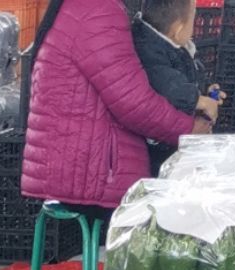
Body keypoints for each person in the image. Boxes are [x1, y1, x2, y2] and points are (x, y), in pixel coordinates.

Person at [21, 0, 215, 227]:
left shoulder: (82, 7)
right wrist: (188, 131)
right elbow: (134, 103)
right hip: (88, 173)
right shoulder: (97, 11)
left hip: (73, 166)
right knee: (184, 210)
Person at [131, 0, 212, 174]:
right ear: (178, 29)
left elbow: (188, 77)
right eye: (193, 20)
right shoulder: (149, 49)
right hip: (158, 150)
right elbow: (168, 84)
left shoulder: (170, 45)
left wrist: (208, 92)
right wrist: (198, 100)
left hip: (171, 139)